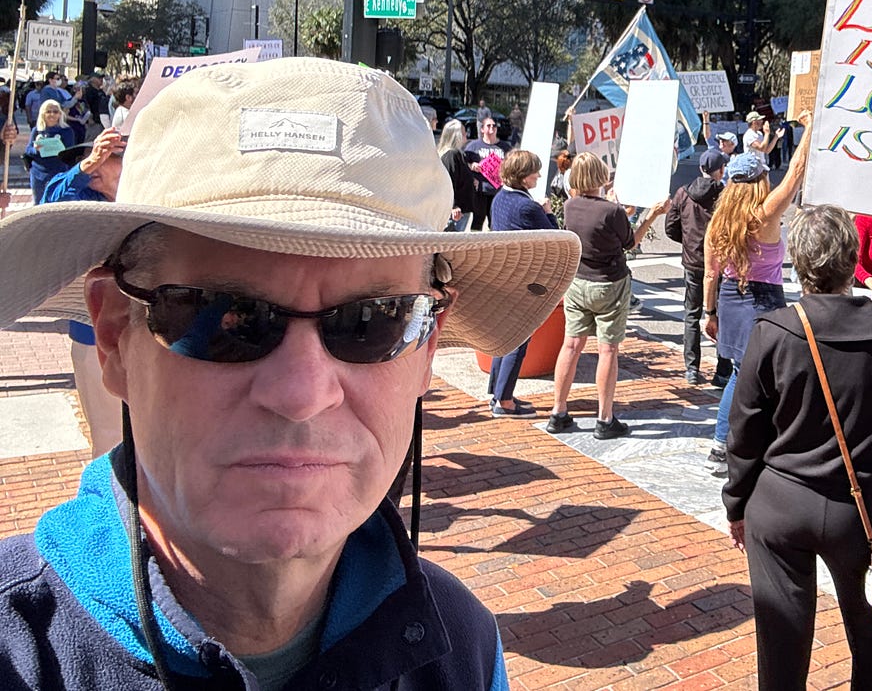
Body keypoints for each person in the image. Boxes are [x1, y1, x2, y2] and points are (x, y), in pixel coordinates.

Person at [0, 57, 580, 688]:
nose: (302, 394)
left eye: (373, 321)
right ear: (115, 336)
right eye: (226, 316)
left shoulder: (463, 648)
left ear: (428, 347)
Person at [724, 205, 872, 690]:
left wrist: (736, 502)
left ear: (799, 261)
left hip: (781, 498)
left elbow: (745, 430)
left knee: (781, 641)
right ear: (852, 261)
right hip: (857, 505)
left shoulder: (774, 330)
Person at [703, 118, 813, 477]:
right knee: (766, 377)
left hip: (729, 298)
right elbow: (795, 173)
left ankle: (722, 445)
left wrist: (709, 313)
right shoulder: (764, 216)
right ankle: (744, 445)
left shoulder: (719, 222)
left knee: (740, 373)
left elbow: (710, 274)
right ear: (760, 181)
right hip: (762, 300)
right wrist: (812, 129)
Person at [547, 152, 662, 439]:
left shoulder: (571, 206)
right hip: (609, 283)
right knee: (608, 349)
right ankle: (605, 418)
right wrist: (652, 215)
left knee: (571, 345)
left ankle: (558, 412)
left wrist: (618, 210)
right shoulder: (612, 211)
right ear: (600, 176)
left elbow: (598, 226)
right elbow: (630, 242)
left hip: (578, 282)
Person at [39, 128, 128, 457]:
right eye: (87, 161)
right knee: (108, 437)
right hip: (93, 338)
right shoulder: (82, 203)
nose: (93, 166)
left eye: (106, 157)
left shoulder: (146, 197)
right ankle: (112, 488)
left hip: (147, 335)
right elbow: (50, 202)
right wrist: (86, 165)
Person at [487, 150, 559, 418]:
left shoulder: (499, 198)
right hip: (523, 281)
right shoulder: (527, 207)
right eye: (534, 172)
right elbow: (555, 238)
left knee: (503, 338)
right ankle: (505, 401)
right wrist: (548, 212)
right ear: (522, 176)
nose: (539, 175)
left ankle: (497, 393)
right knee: (518, 339)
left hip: (502, 278)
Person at [664, 147, 727, 386]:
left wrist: (689, 243)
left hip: (693, 262)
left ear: (701, 169)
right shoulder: (725, 195)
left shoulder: (683, 193)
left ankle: (691, 369)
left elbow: (670, 227)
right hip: (719, 263)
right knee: (720, 314)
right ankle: (722, 370)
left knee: (691, 314)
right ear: (720, 170)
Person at [24, 98, 76, 203]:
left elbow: (70, 151)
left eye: (55, 112)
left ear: (60, 114)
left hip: (58, 172)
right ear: (43, 114)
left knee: (57, 203)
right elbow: (28, 150)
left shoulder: (67, 131)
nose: (52, 114)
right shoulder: (37, 130)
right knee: (38, 204)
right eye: (48, 111)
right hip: (38, 173)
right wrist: (35, 149)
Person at [464, 110, 506, 231]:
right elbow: (463, 164)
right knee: (477, 221)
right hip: (480, 191)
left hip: (498, 192)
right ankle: (474, 241)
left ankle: (492, 242)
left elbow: (512, 166)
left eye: (494, 126)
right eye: (488, 126)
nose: (492, 128)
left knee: (495, 222)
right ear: (482, 129)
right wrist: (472, 165)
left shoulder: (505, 147)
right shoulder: (473, 146)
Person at [437, 119, 474, 232]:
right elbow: (448, 183)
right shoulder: (451, 155)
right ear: (456, 136)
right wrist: (453, 206)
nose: (466, 136)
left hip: (461, 209)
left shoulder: (456, 154)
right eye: (463, 133)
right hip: (456, 212)